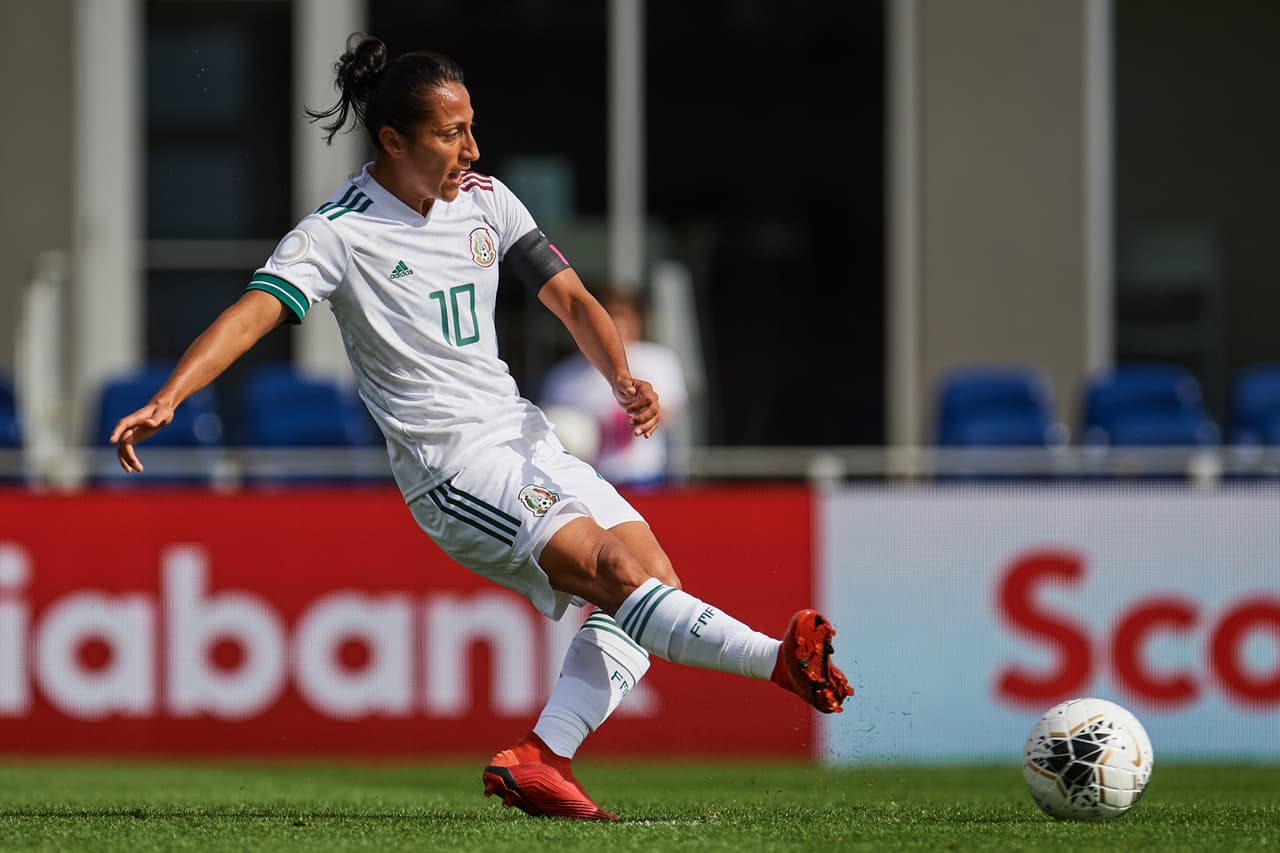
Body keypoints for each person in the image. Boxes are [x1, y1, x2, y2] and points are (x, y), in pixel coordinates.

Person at [110, 34, 851, 821]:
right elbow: (251, 314)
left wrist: (619, 373)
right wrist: (171, 395)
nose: (471, 148)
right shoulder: (338, 231)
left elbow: (571, 299)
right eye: (450, 133)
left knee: (649, 573)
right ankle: (778, 661)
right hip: (452, 467)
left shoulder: (487, 200)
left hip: (525, 436)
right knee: (613, 571)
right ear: (394, 141)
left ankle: (542, 757)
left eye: (471, 127)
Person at [541, 287, 688, 486]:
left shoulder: (657, 361)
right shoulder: (562, 376)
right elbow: (550, 432)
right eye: (607, 320)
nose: (614, 328)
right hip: (586, 483)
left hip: (644, 480)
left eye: (623, 319)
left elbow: (669, 415)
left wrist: (645, 411)